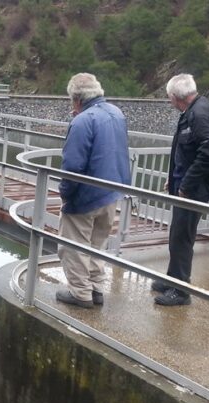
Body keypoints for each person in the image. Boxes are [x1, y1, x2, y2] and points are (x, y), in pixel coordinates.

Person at [152, 74, 209, 306]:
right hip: (187, 186)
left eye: (169, 97)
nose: (169, 101)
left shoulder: (199, 115)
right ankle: (172, 278)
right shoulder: (195, 110)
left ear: (175, 97)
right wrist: (175, 179)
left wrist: (186, 185)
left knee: (182, 237)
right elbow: (189, 153)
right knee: (177, 234)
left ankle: (180, 291)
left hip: (194, 190)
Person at [55, 73, 131, 308]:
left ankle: (80, 294)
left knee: (74, 246)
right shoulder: (116, 113)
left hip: (86, 196)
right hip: (112, 192)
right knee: (97, 243)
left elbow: (73, 166)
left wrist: (66, 194)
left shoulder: (82, 121)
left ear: (76, 99)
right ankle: (96, 288)